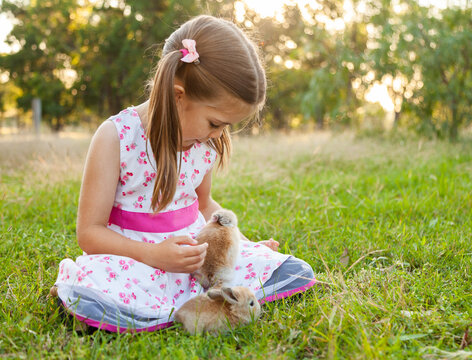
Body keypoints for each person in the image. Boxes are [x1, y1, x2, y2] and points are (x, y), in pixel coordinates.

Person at [53, 15, 316, 333]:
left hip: (195, 259)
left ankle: (188, 298)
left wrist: (242, 245)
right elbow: (90, 233)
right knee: (96, 292)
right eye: (215, 123)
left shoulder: (203, 143)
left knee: (292, 270)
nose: (217, 135)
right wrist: (155, 255)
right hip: (135, 257)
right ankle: (101, 299)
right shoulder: (116, 137)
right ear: (179, 96)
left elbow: (205, 206)